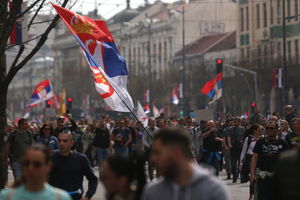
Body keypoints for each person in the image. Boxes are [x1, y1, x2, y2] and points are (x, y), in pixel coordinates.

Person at [142, 127, 230, 200]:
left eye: (158, 152)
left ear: (176, 152)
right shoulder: (152, 192)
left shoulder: (213, 190)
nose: (153, 158)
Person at [0, 143, 71, 200]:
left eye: (37, 164)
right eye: (26, 163)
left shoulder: (61, 197)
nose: (30, 168)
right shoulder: (6, 196)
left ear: (48, 166)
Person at [49, 130, 98, 200]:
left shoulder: (81, 159)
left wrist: (87, 196)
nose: (61, 143)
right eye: (59, 141)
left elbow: (93, 179)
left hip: (75, 197)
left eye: (65, 141)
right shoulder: (51, 158)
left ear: (72, 143)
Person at [250, 121, 289, 200]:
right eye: (267, 128)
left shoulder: (283, 143)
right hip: (262, 176)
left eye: (271, 128)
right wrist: (252, 174)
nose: (269, 130)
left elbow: (287, 161)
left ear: (277, 130)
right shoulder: (260, 142)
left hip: (277, 178)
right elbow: (254, 157)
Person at [239, 124, 263, 200]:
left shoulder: (263, 139)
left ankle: (257, 195)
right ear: (254, 131)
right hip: (250, 159)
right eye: (259, 130)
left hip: (259, 160)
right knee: (252, 178)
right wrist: (241, 163)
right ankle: (251, 196)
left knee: (258, 179)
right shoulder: (248, 138)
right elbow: (243, 151)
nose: (261, 131)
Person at [228, 117, 245, 183]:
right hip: (233, 147)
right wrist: (229, 144)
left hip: (240, 147)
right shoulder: (231, 129)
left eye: (237, 121)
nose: (236, 122)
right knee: (233, 164)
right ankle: (234, 176)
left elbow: (244, 137)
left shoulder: (243, 129)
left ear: (239, 122)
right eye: (235, 121)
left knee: (240, 163)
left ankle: (241, 176)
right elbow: (229, 137)